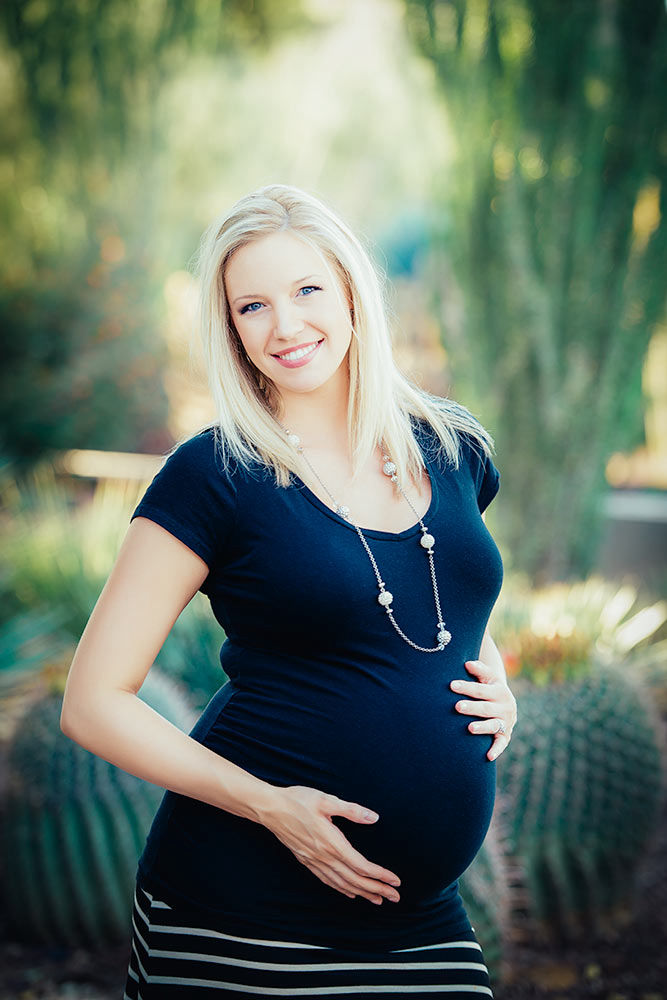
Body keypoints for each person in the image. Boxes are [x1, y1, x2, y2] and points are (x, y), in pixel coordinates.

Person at [61, 183, 517, 998]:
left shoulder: (451, 446)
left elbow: (450, 592)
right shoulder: (214, 473)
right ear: (229, 328)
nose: (286, 325)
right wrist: (272, 807)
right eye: (251, 306)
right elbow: (93, 701)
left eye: (306, 289)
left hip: (418, 919)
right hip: (240, 906)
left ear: (349, 289)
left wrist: (496, 680)